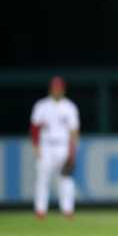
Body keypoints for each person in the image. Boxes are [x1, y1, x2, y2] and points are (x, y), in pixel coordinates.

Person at [30, 76, 80, 219]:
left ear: (63, 90)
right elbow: (34, 128)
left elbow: (74, 131)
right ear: (51, 89)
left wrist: (72, 151)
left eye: (59, 88)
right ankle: (40, 210)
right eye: (55, 88)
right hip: (45, 146)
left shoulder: (69, 106)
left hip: (63, 146)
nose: (57, 90)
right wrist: (36, 146)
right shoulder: (41, 105)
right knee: (42, 179)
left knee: (66, 179)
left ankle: (67, 210)